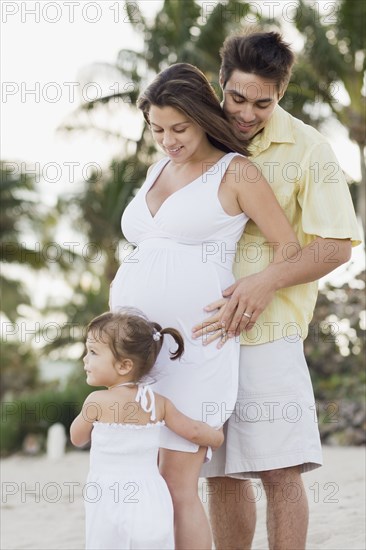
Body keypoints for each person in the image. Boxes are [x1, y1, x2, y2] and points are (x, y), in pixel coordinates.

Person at [109, 63, 299, 548]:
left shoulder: (235, 171)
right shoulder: (157, 169)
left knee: (178, 478)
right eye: (157, 129)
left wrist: (257, 288)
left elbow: (288, 248)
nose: (168, 140)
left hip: (197, 343)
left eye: (180, 128)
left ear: (202, 118)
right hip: (138, 347)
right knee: (142, 473)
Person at [193, 31, 361, 550]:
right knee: (220, 473)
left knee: (279, 471)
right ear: (221, 83)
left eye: (262, 102)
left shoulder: (310, 148)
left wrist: (266, 281)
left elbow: (336, 246)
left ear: (281, 94)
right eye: (237, 98)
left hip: (271, 334)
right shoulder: (201, 137)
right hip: (202, 335)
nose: (245, 113)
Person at [70, 309, 225, 550]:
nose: (85, 359)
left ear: (124, 365)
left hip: (108, 496)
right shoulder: (158, 402)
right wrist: (216, 438)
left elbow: (77, 438)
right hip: (150, 494)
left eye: (92, 352)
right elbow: (193, 431)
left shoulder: (96, 402)